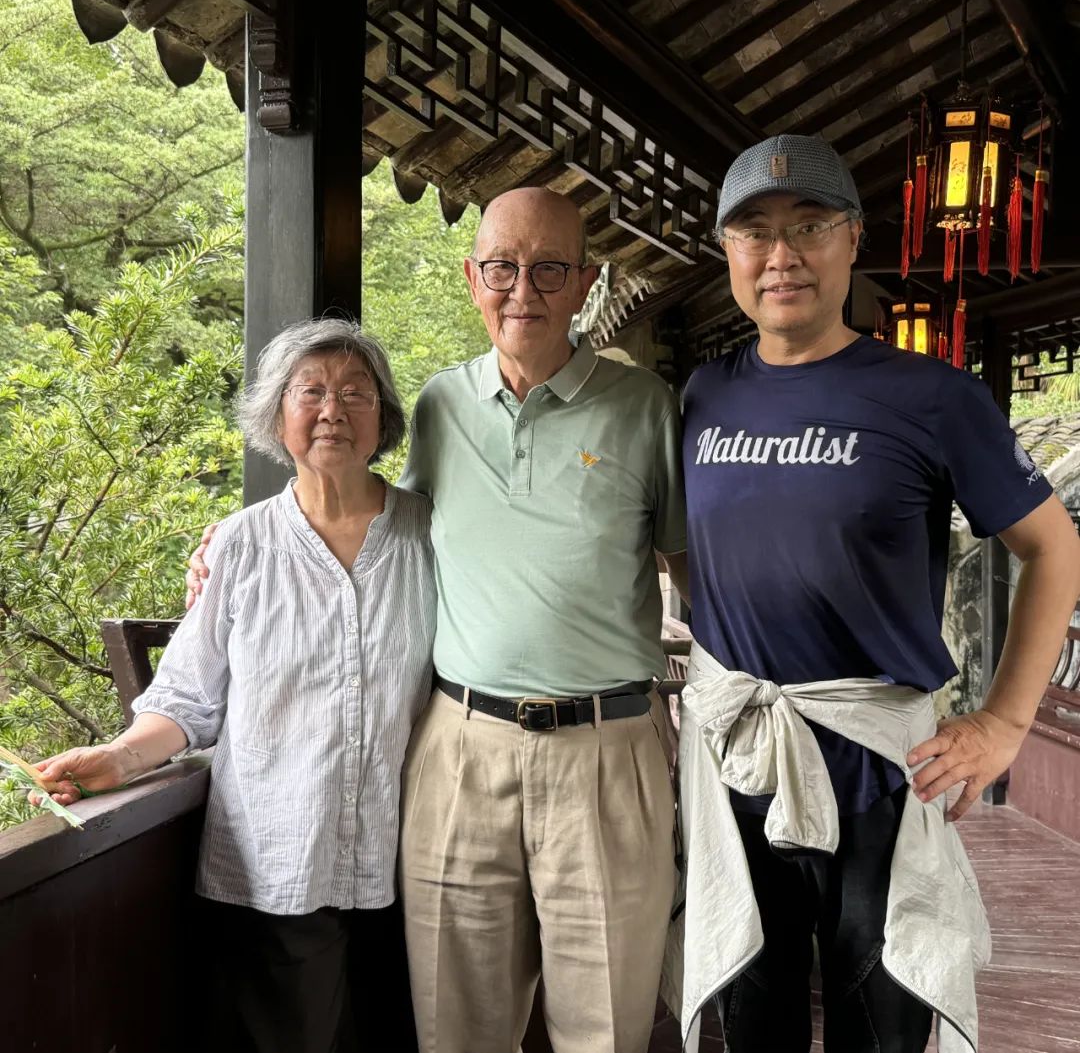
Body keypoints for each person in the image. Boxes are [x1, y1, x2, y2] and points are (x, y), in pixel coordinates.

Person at [187, 189, 687, 1053]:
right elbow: (369, 516)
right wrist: (232, 542)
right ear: (471, 278)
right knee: (456, 1029)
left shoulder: (646, 406)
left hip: (607, 748)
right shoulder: (440, 405)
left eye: (549, 269)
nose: (522, 289)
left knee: (605, 1027)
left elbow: (696, 569)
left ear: (585, 282)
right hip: (460, 747)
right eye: (502, 267)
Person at [662, 135, 1080, 1053]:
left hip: (878, 769)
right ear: (728, 250)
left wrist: (1005, 721)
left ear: (853, 238)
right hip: (741, 761)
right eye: (755, 231)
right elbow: (697, 552)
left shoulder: (932, 396)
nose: (782, 255)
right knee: (755, 1012)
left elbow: (1054, 546)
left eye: (809, 225)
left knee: (877, 1015)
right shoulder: (703, 396)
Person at [35, 319, 434, 1053]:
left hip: (414, 849)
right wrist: (118, 758)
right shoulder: (242, 543)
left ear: (384, 418)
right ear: (277, 418)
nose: (332, 410)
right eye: (309, 392)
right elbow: (187, 697)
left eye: (356, 392)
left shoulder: (432, 536)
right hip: (280, 854)